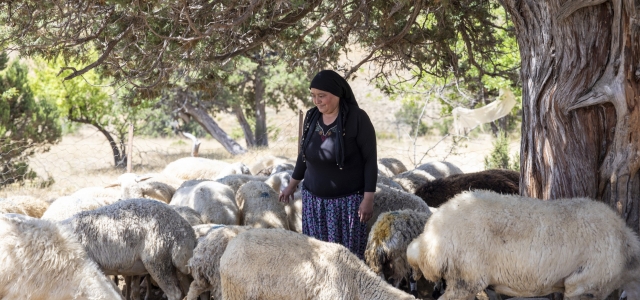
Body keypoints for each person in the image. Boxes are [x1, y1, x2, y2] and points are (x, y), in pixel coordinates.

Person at [279, 70, 377, 260]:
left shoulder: (357, 118)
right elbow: (304, 154)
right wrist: (291, 185)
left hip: (347, 205)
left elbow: (370, 161)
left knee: (347, 259)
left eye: (322, 96)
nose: (317, 101)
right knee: (318, 257)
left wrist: (368, 199)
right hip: (313, 203)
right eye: (313, 96)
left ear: (337, 94)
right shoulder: (311, 117)